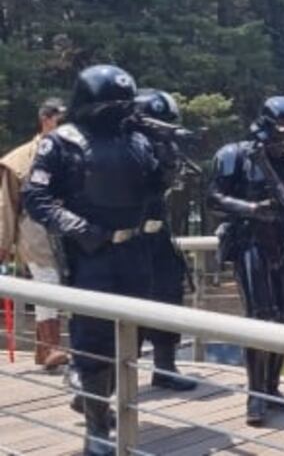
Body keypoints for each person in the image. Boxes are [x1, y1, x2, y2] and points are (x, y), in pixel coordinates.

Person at [23, 65, 170, 456]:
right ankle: (96, 427)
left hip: (135, 250)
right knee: (94, 339)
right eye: (113, 104)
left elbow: (155, 187)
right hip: (92, 254)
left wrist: (166, 156)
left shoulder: (137, 140)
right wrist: (77, 227)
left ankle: (103, 403)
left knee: (134, 335)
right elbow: (36, 198)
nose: (120, 111)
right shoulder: (61, 143)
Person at [207, 96, 284, 427]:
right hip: (250, 241)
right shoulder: (234, 156)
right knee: (259, 317)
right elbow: (213, 198)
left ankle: (273, 387)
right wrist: (252, 209)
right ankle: (256, 394)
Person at [133, 89, 197, 391]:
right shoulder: (125, 146)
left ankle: (165, 366)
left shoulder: (162, 146)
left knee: (169, 293)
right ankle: (118, 374)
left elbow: (165, 183)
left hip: (157, 232)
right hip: (127, 236)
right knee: (129, 303)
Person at [0, 97, 69, 370]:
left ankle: (46, 351)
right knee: (48, 283)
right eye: (60, 120)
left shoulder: (75, 152)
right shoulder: (19, 159)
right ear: (46, 119)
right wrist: (3, 244)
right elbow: (6, 205)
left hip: (71, 231)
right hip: (35, 232)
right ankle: (50, 348)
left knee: (75, 287)